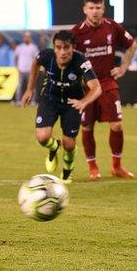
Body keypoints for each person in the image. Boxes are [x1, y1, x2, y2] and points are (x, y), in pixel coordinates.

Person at [70, 0, 137, 180]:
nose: (95, 11)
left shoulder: (112, 27)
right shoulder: (76, 32)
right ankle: (93, 168)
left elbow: (132, 45)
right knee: (87, 127)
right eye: (91, 8)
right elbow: (65, 56)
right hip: (87, 86)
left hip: (107, 82)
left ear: (103, 9)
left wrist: (123, 67)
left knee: (117, 125)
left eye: (98, 8)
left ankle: (117, 166)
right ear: (85, 10)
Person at [22, 31, 101, 184]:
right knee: (42, 137)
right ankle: (54, 147)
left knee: (69, 144)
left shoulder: (80, 61)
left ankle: (67, 171)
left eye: (66, 48)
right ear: (54, 47)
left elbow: (96, 87)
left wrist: (83, 102)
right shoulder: (46, 56)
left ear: (73, 47)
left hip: (72, 103)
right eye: (59, 48)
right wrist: (30, 89)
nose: (63, 52)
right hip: (49, 100)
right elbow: (35, 64)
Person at [14, 32, 40, 105]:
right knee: (20, 86)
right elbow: (15, 57)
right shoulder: (19, 47)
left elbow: (37, 59)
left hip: (30, 70)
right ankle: (18, 100)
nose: (26, 38)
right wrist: (17, 66)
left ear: (30, 38)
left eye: (27, 37)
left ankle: (33, 101)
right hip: (21, 69)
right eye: (25, 37)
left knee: (32, 86)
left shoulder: (34, 47)